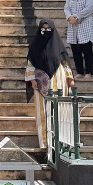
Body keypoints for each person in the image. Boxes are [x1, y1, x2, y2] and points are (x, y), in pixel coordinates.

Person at [25, 18, 76, 147]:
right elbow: (30, 62)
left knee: (61, 110)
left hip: (59, 80)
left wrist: (70, 79)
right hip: (41, 81)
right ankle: (45, 142)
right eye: (43, 29)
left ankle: (61, 142)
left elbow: (65, 64)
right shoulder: (35, 45)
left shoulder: (58, 46)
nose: (46, 31)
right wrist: (32, 80)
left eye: (49, 29)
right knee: (43, 112)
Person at [64, 0, 93, 80]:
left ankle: (88, 72)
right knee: (75, 49)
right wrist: (70, 17)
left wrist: (77, 17)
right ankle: (80, 72)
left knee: (87, 50)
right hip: (73, 25)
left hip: (85, 24)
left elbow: (89, 9)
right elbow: (66, 8)